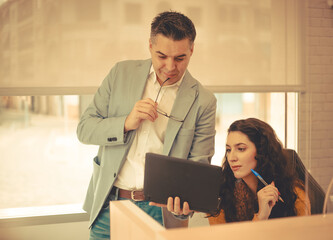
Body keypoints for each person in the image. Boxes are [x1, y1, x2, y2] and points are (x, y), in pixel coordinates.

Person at [77, 11, 216, 239]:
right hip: (109, 205)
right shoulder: (120, 73)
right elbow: (84, 129)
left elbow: (198, 167)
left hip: (162, 213)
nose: (170, 67)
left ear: (192, 51)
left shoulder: (204, 101)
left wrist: (184, 208)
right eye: (162, 55)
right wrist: (125, 123)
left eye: (180, 58)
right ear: (150, 46)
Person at [208, 118, 310, 224]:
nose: (231, 158)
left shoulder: (294, 193)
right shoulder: (222, 194)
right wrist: (261, 217)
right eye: (229, 150)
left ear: (261, 151)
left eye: (241, 149)